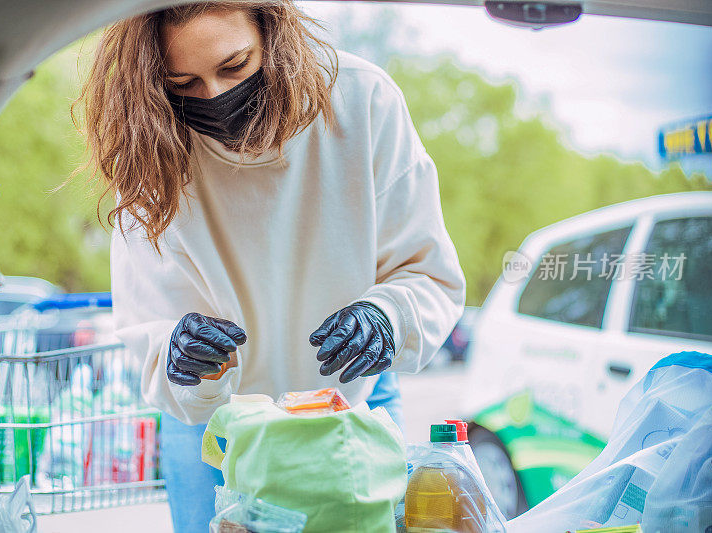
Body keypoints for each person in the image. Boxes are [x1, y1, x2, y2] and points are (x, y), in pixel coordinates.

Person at [76, 2, 465, 531]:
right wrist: (182, 353)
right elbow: (151, 329)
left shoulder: (361, 100)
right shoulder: (148, 150)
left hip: (350, 398)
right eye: (183, 83)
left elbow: (426, 270)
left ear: (271, 32)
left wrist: (386, 317)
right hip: (214, 425)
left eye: (235, 67)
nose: (214, 96)